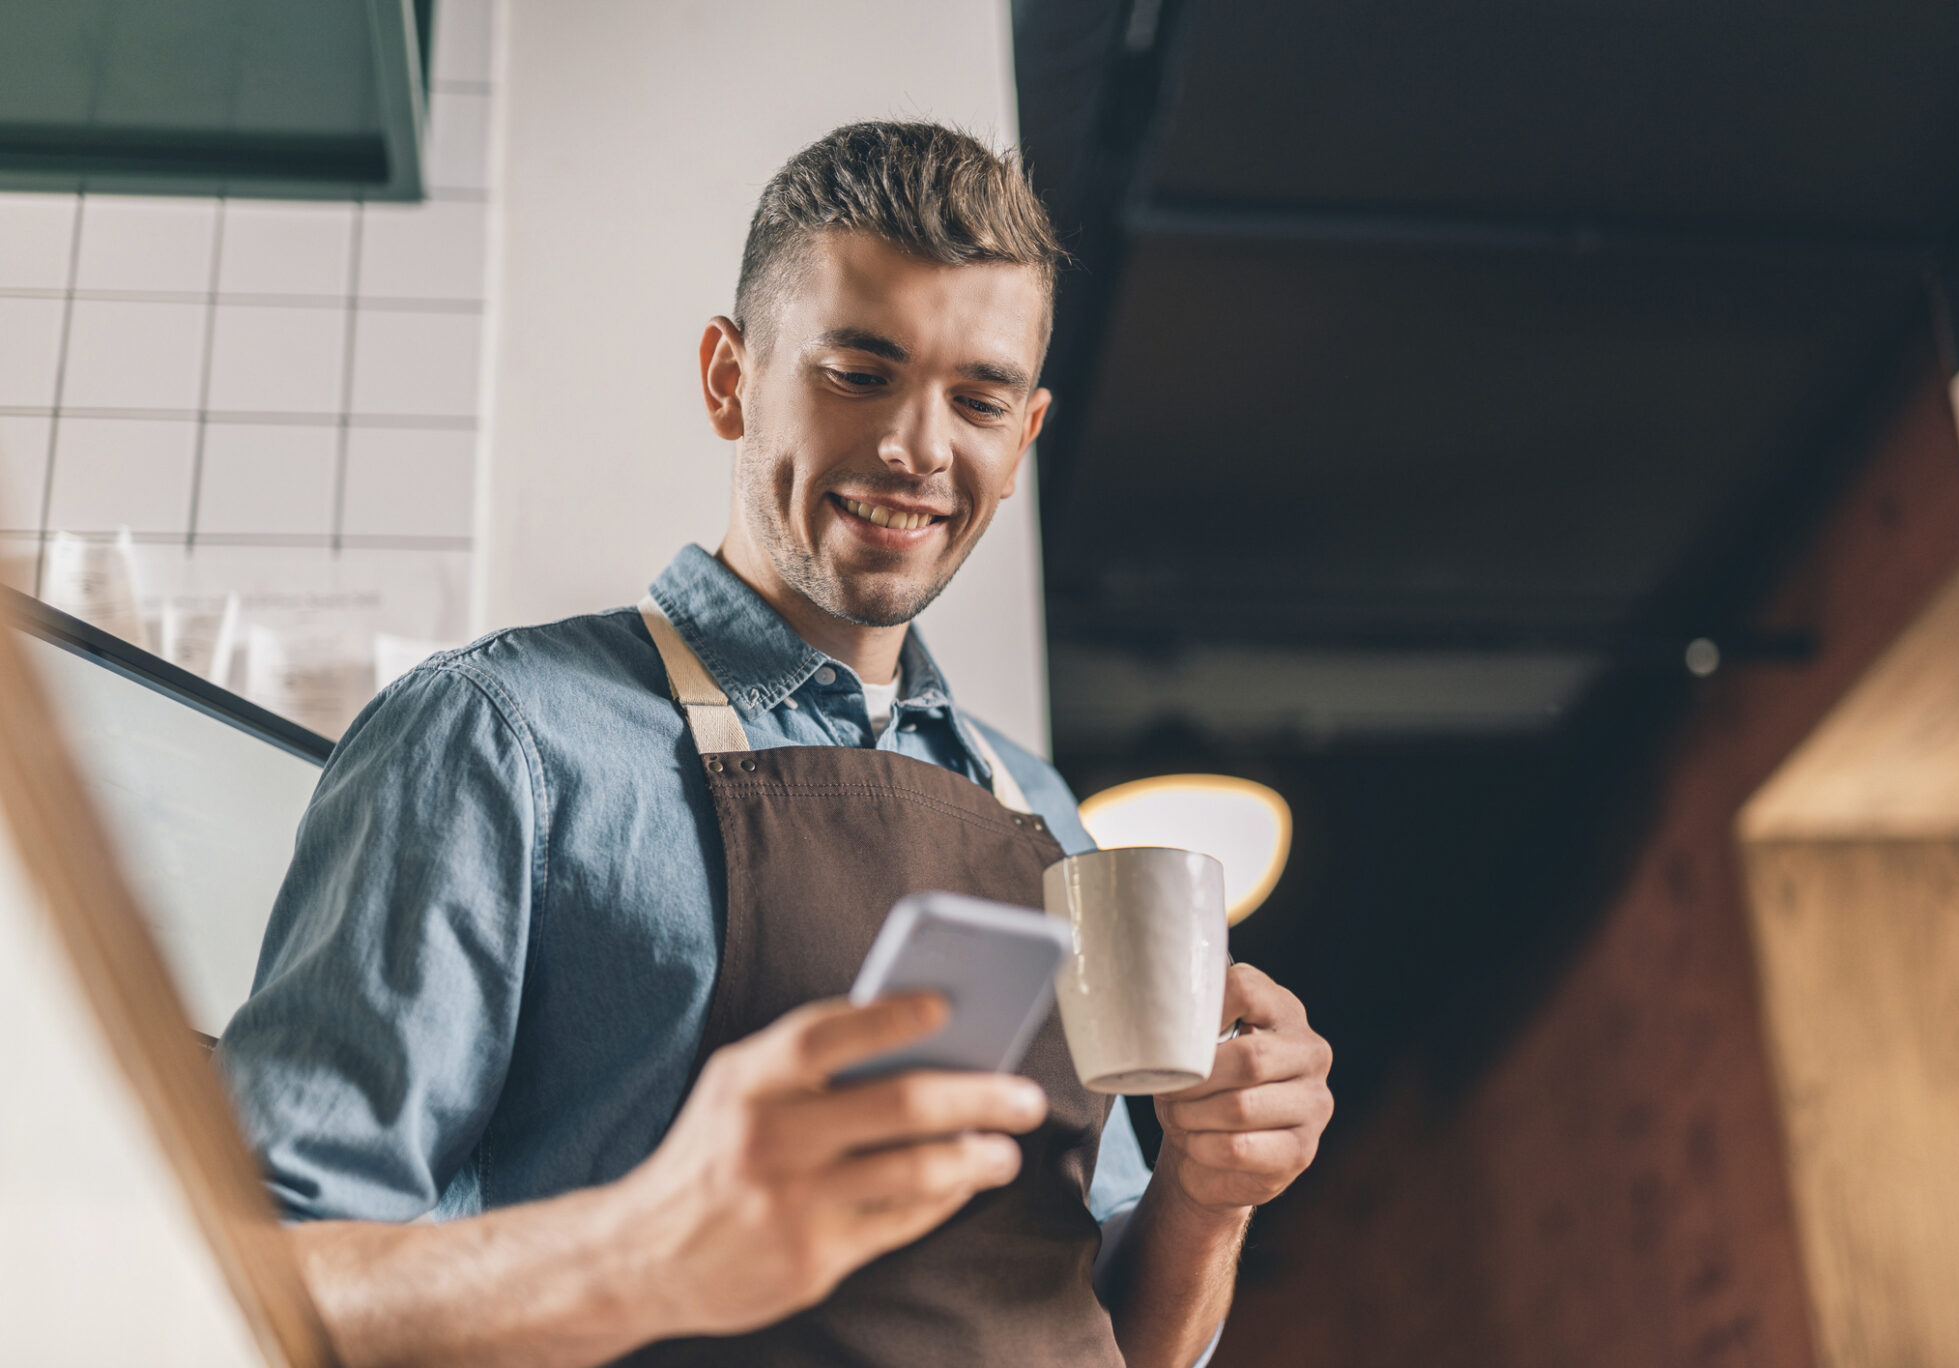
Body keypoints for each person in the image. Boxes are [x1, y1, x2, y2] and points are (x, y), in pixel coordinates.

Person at [217, 121, 1334, 1368]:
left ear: (1022, 440)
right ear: (728, 378)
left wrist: (1206, 1191)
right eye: (859, 372)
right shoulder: (500, 737)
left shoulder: (1041, 808)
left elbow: (1125, 1340)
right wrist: (646, 1248)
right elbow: (239, 1282)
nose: (917, 445)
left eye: (978, 397)